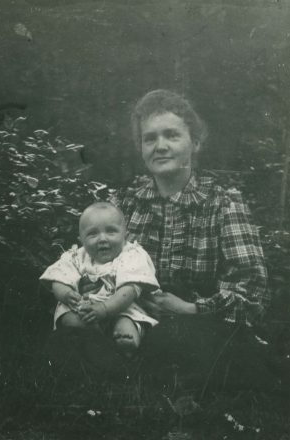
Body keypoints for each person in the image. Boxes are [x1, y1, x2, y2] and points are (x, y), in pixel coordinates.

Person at [112, 89, 272, 391]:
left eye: (172, 135)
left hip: (200, 323)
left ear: (194, 143)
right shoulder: (124, 203)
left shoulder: (222, 202)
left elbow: (251, 291)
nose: (160, 146)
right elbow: (95, 265)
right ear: (141, 147)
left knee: (212, 358)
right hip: (131, 317)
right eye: (150, 138)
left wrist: (188, 308)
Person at [40, 201, 160, 357]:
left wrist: (104, 309)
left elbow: (129, 290)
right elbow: (58, 277)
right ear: (81, 239)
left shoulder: (132, 254)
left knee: (127, 321)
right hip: (84, 308)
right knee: (69, 319)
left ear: (125, 234)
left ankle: (126, 343)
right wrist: (66, 293)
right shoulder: (76, 256)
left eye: (111, 231)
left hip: (121, 306)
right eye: (92, 234)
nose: (102, 238)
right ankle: (94, 338)